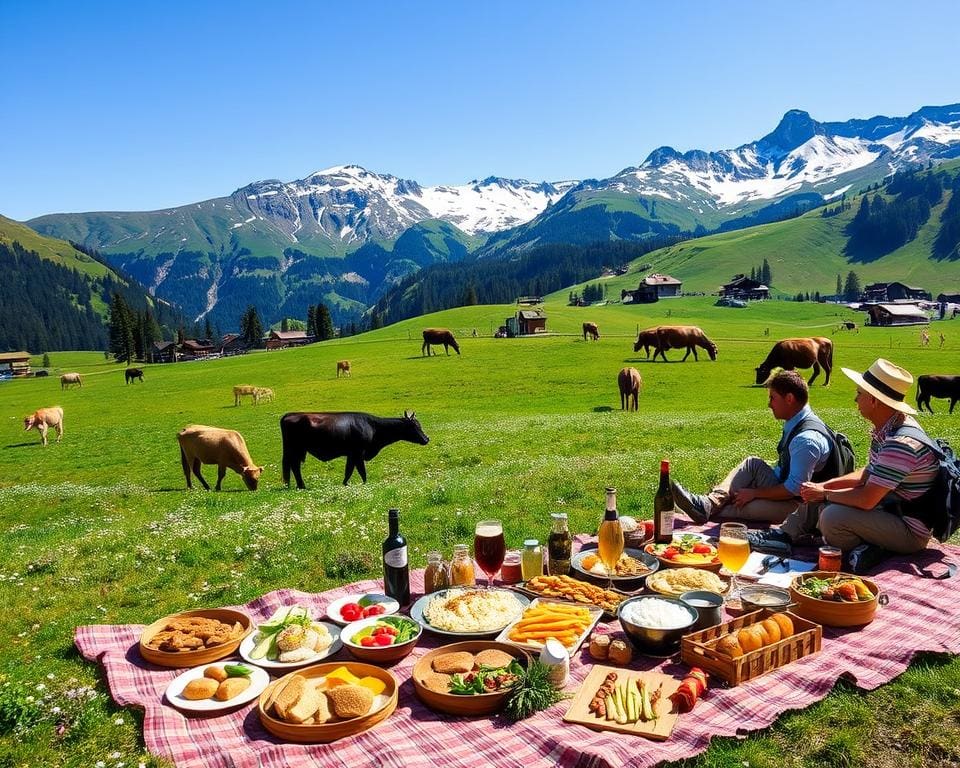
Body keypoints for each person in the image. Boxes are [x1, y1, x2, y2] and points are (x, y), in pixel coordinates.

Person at [751, 358, 938, 570]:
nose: (855, 399)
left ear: (874, 400)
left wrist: (825, 494)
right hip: (888, 510)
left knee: (832, 517)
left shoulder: (899, 444)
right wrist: (825, 487)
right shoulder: (892, 427)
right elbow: (868, 473)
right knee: (822, 493)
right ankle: (784, 535)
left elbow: (867, 499)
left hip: (908, 529)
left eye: (859, 394)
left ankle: (874, 548)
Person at [671, 370, 836, 524]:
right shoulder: (800, 420)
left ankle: (703, 509)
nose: (769, 404)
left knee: (740, 507)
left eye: (772, 398)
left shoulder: (806, 440)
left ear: (790, 399)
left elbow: (794, 489)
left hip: (802, 507)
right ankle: (709, 503)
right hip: (787, 489)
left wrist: (754, 493)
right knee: (753, 464)